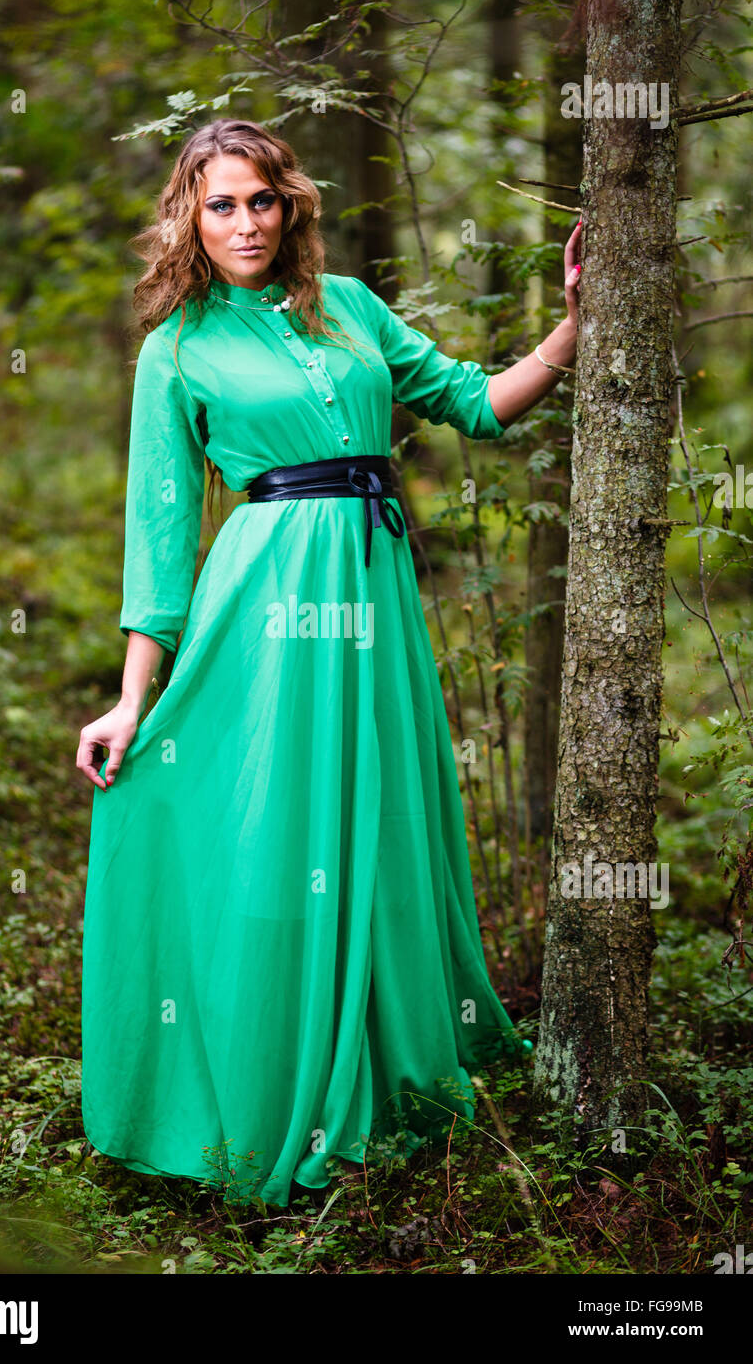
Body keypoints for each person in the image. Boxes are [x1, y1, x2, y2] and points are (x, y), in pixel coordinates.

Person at [76, 118, 581, 1207]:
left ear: (289, 204)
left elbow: (468, 403)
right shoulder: (176, 349)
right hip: (267, 596)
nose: (244, 222)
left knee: (378, 812)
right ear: (189, 218)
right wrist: (129, 700)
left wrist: (570, 331)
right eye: (221, 205)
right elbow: (158, 542)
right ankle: (266, 1074)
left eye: (261, 200)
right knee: (273, 817)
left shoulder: (348, 306)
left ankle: (389, 1062)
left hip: (374, 587)